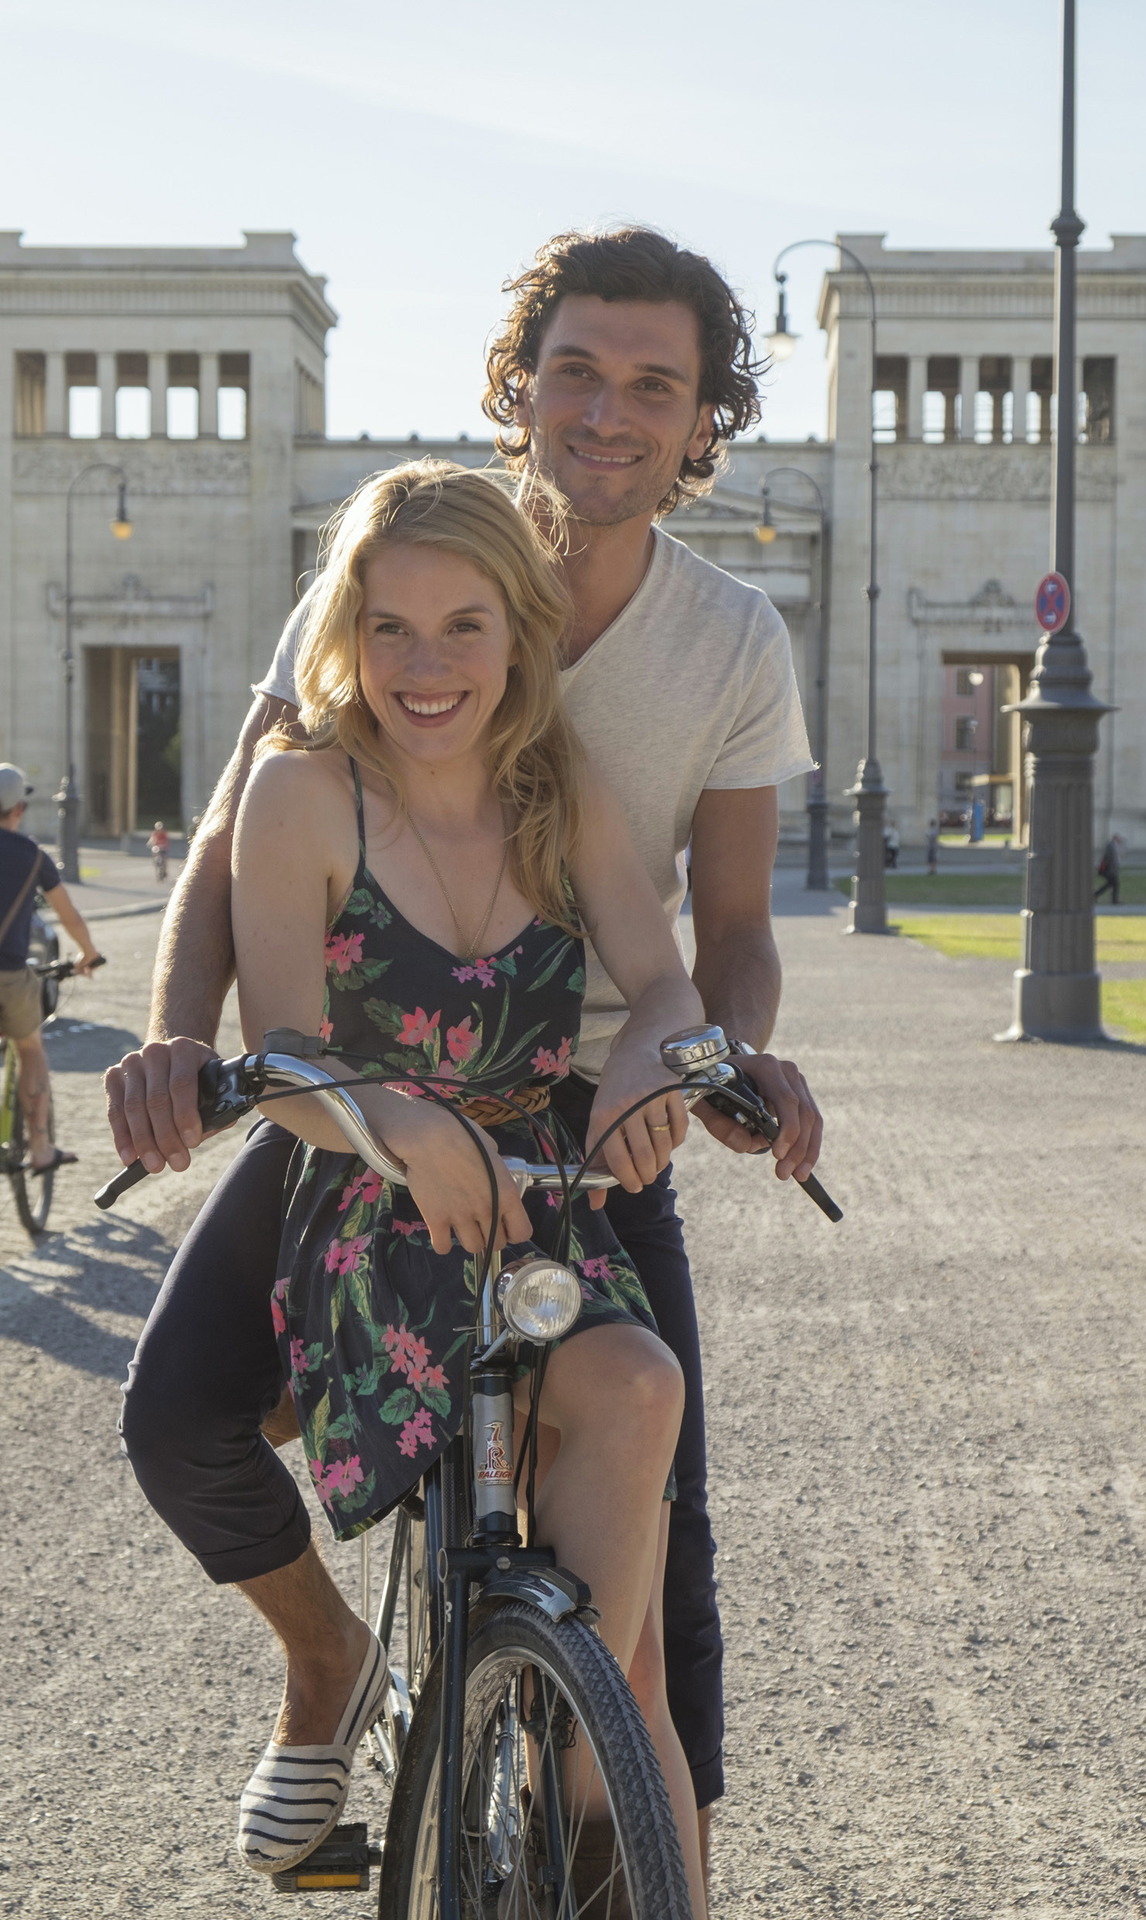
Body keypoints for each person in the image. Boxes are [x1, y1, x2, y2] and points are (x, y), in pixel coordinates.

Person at [110, 226, 822, 1873]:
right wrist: (172, 1036)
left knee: (654, 1589)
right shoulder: (384, 573)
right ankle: (325, 1658)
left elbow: (725, 934)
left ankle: (617, 1848)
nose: (608, 410)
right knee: (178, 1416)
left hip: (582, 1116)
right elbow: (232, 844)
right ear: (518, 386)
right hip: (371, 1105)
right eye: (574, 368)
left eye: (656, 383)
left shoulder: (726, 643)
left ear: (703, 419)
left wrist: (702, 1058)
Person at [128, 464, 717, 1897]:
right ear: (345, 633)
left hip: (531, 1196)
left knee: (642, 1392)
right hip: (364, 1197)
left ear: (518, 631)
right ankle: (382, 1677)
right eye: (388, 629)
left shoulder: (554, 791)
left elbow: (663, 985)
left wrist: (655, 1057)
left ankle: (588, 1768)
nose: (425, 666)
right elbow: (281, 1055)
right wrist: (400, 1116)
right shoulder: (303, 790)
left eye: (462, 626)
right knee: (185, 1415)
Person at [0, 764, 102, 1170]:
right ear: (19, 809)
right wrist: (88, 954)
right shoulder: (31, 856)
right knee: (31, 1049)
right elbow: (69, 916)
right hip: (9, 976)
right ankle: (40, 1148)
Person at [1095, 832, 1123, 905]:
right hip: (1109, 870)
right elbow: (1108, 858)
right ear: (1115, 838)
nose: (1120, 839)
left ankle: (1095, 895)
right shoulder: (1110, 846)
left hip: (1112, 869)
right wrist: (1111, 869)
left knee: (1110, 884)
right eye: (1119, 838)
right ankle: (1114, 901)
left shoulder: (1114, 846)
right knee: (1115, 884)